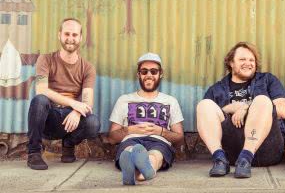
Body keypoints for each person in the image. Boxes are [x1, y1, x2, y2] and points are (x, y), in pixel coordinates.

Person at [196, 42, 285, 178]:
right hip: (232, 153)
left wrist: (246, 107)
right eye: (242, 59)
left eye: (252, 60)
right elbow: (207, 122)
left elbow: (281, 111)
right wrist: (230, 108)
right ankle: (219, 159)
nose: (248, 63)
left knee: (262, 100)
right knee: (204, 105)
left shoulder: (267, 80)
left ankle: (246, 157)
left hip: (267, 149)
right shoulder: (217, 89)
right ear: (231, 63)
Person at [27, 18, 100, 170]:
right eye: (67, 34)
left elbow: (88, 102)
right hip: (48, 116)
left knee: (93, 123)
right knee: (39, 100)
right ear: (59, 35)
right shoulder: (45, 59)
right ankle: (34, 153)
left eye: (74, 35)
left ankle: (68, 144)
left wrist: (76, 112)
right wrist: (74, 103)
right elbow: (41, 90)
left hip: (70, 119)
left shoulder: (87, 68)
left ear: (80, 38)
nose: (70, 39)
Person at [108, 53, 184, 185]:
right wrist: (129, 130)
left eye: (153, 71)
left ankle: (139, 170)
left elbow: (179, 138)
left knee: (155, 155)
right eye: (144, 71)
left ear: (160, 74)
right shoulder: (124, 100)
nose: (149, 75)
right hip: (131, 139)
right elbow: (112, 137)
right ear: (138, 75)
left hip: (159, 141)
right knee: (130, 150)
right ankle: (142, 172)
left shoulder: (170, 101)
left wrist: (161, 132)